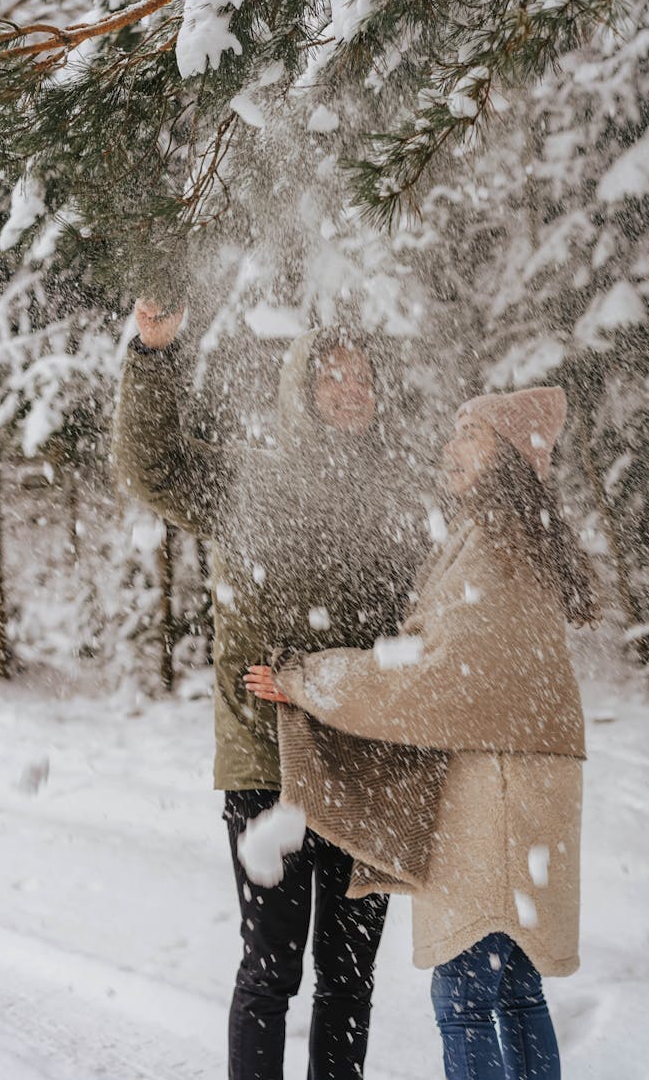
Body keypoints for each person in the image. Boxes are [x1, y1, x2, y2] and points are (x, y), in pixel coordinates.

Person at [112, 298, 434, 1079]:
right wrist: (152, 358)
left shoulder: (395, 495)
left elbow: (422, 627)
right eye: (333, 379)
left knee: (349, 981)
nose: (352, 391)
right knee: (271, 973)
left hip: (367, 766)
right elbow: (150, 467)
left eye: (364, 378)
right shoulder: (248, 476)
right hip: (270, 766)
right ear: (301, 390)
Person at [245, 386, 599, 1080]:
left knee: (465, 990)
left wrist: (309, 678)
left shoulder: (495, 545)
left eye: (470, 434)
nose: (450, 445)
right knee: (514, 987)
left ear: (507, 456)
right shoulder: (513, 535)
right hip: (528, 775)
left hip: (495, 785)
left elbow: (427, 678)